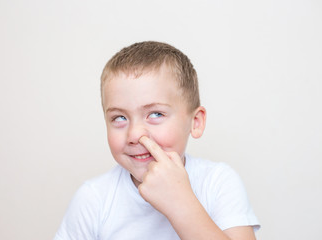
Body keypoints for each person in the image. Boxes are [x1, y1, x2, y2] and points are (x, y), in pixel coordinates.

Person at [54, 41, 260, 240]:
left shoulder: (218, 182)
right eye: (119, 118)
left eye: (155, 114)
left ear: (195, 122)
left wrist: (180, 202)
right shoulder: (93, 199)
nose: (135, 135)